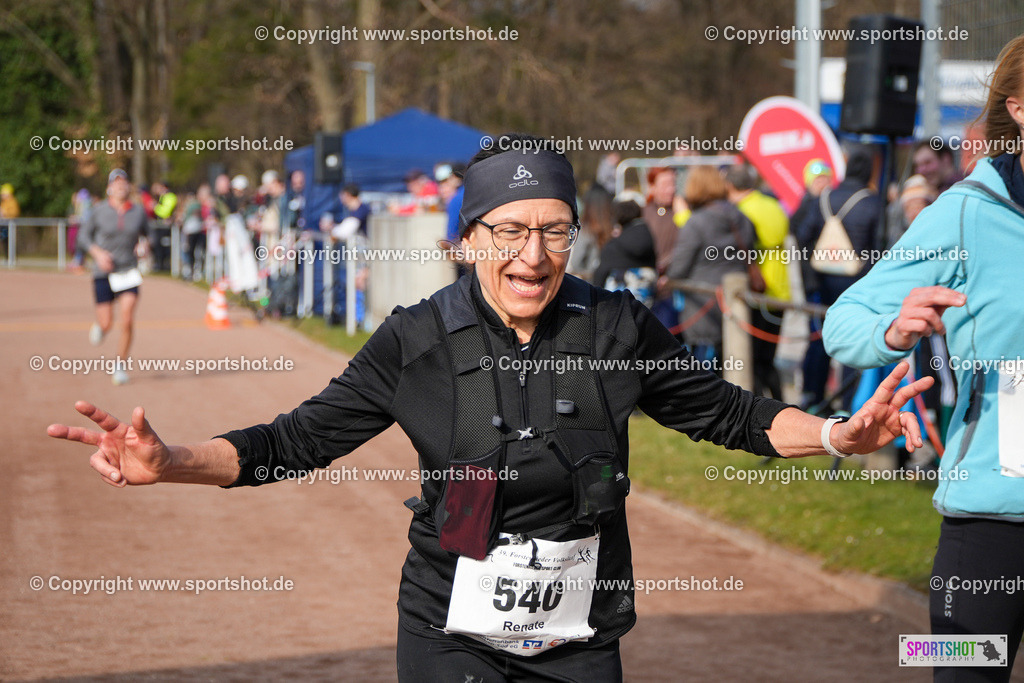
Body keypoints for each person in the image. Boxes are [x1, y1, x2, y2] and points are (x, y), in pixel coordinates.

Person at [49, 133, 931, 683]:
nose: (533, 253)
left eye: (553, 228)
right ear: (469, 238)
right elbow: (296, 441)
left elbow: (731, 415)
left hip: (582, 632)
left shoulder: (616, 324)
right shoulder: (415, 341)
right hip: (447, 626)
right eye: (509, 230)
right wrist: (171, 463)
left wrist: (833, 433)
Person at [823, 34, 1024, 682]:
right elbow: (842, 323)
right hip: (990, 523)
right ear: (1018, 108)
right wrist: (895, 330)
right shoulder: (964, 213)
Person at [795, 149, 883, 410]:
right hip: (856, 285)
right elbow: (879, 247)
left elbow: (803, 236)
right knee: (851, 342)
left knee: (820, 339)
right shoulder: (872, 202)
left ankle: (813, 397)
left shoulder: (824, 197)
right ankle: (846, 404)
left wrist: (810, 278)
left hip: (822, 284)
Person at [665, 166, 755, 365]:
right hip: (736, 303)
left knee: (703, 375)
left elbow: (678, 269)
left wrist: (665, 280)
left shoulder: (696, 222)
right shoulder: (741, 217)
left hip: (702, 307)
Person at [76, 169, 150, 385]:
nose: (120, 186)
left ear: (128, 186)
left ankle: (120, 366)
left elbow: (150, 234)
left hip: (128, 271)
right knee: (107, 323)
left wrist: (144, 245)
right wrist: (97, 254)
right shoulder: (98, 211)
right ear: (109, 187)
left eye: (123, 182)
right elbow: (83, 236)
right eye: (116, 183)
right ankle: (101, 327)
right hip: (103, 273)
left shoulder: (138, 212)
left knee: (127, 319)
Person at [725, 164, 790, 399]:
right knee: (769, 359)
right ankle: (783, 404)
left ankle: (762, 408)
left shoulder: (740, 211)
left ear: (730, 186)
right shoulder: (774, 205)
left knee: (753, 359)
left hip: (755, 289)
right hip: (781, 288)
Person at [592, 191, 657, 308]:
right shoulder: (649, 238)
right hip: (647, 306)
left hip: (618, 309)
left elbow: (599, 277)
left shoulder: (614, 246)